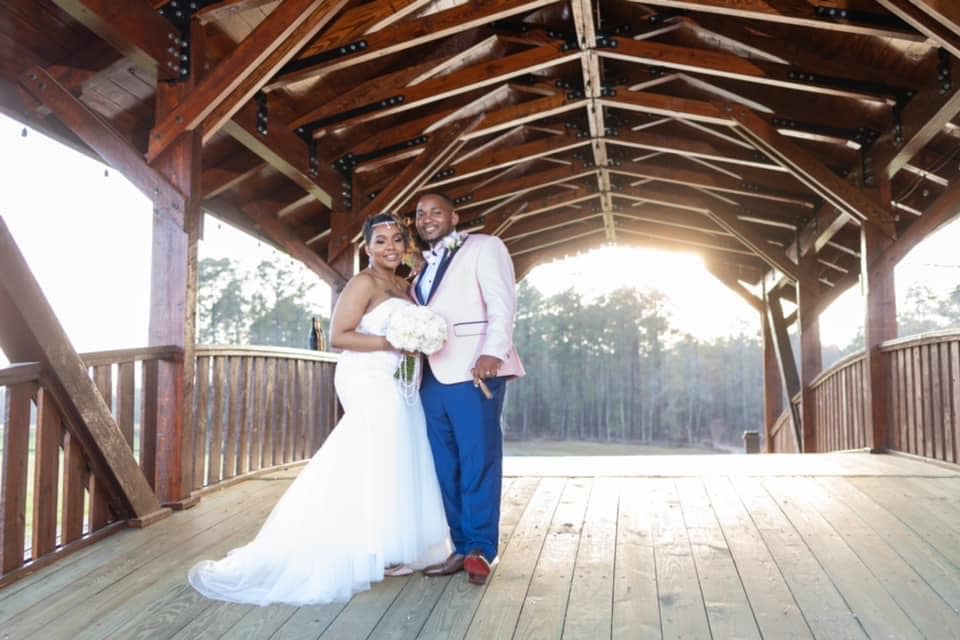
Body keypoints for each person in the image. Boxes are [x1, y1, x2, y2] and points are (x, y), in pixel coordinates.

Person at [188, 213, 451, 606]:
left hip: (399, 382)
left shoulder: (401, 283)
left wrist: (415, 341)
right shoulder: (363, 283)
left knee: (394, 457)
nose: (390, 247)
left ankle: (387, 545)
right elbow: (338, 336)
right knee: (371, 454)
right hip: (367, 377)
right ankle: (362, 548)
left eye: (397, 239)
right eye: (380, 241)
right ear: (367, 247)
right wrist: (392, 344)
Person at [412, 192, 525, 586]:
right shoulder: (420, 269)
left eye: (435, 211)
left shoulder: (485, 247)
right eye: (421, 213)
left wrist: (492, 352)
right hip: (431, 377)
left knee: (479, 461)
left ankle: (480, 548)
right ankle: (458, 546)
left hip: (475, 370)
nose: (427, 218)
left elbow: (502, 302)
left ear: (454, 217)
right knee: (446, 467)